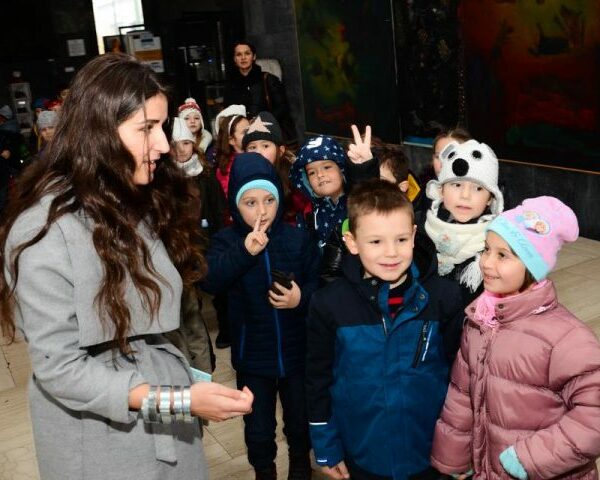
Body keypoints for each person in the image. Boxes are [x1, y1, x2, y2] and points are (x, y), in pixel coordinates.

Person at [0, 53, 253, 480]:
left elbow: (149, 327)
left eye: (162, 126)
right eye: (146, 128)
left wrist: (184, 382)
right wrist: (181, 400)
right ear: (98, 132)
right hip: (103, 447)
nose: (162, 144)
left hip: (164, 424)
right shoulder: (42, 233)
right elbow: (60, 368)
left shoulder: (132, 201)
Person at [431, 196, 600, 480]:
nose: (486, 262)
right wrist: (454, 456)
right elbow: (462, 395)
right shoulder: (479, 320)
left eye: (503, 255)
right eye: (487, 250)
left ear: (533, 267)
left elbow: (593, 417)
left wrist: (528, 459)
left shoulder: (565, 339)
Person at [306, 179, 464, 480]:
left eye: (401, 240)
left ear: (415, 236)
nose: (391, 253)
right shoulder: (328, 304)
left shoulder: (444, 298)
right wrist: (326, 446)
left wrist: (461, 445)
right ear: (352, 243)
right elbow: (317, 380)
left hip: (431, 453)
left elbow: (462, 380)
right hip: (364, 453)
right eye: (376, 242)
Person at [202, 152, 320, 480]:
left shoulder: (296, 236)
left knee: (299, 421)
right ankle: (263, 471)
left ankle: (300, 468)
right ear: (235, 205)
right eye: (250, 202)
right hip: (252, 357)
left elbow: (319, 285)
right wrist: (244, 251)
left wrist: (300, 297)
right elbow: (211, 281)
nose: (262, 211)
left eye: (269, 200)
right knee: (257, 426)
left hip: (297, 355)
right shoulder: (226, 242)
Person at [164, 117, 226, 373]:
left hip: (204, 243)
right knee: (189, 312)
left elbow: (217, 210)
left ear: (195, 145)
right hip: (176, 254)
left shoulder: (205, 175)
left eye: (186, 143)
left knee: (199, 312)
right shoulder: (165, 179)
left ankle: (204, 370)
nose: (181, 150)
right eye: (176, 144)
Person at [424, 139, 504, 316]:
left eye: (478, 189)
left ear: (491, 198)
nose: (465, 195)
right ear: (441, 191)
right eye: (457, 184)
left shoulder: (496, 241)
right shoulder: (424, 230)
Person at [290, 126, 378, 283]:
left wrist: (364, 168)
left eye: (327, 167)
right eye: (311, 172)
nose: (320, 175)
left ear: (342, 169)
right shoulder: (308, 214)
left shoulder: (356, 201)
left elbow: (371, 202)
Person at [223, 41, 296, 146]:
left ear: (254, 57)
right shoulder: (231, 85)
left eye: (247, 53)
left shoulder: (268, 79)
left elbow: (282, 107)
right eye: (239, 54)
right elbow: (228, 111)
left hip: (268, 134)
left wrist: (261, 121)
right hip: (241, 137)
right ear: (235, 59)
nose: (243, 57)